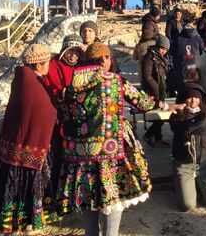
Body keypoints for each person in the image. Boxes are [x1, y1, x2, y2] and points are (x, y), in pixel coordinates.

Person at [58, 43, 155, 235]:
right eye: (108, 57)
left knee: (88, 197)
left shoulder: (72, 83)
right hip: (111, 150)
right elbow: (144, 103)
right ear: (104, 59)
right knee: (113, 197)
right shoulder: (115, 80)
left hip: (80, 153)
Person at [0, 44, 57, 234]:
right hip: (31, 150)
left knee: (10, 186)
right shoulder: (35, 85)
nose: (49, 67)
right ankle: (27, 224)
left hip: (12, 148)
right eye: (47, 63)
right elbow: (46, 112)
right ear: (39, 64)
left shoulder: (21, 80)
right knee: (27, 187)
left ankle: (12, 224)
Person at [167, 82, 206, 211]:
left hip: (205, 165)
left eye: (197, 97)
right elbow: (184, 130)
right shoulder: (176, 115)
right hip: (184, 165)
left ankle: (197, 184)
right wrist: (201, 119)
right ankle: (178, 182)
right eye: (190, 97)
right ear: (183, 99)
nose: (193, 101)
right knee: (187, 205)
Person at [141, 35, 172, 147]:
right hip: (151, 91)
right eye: (162, 48)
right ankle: (149, 135)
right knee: (158, 115)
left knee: (160, 114)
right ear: (157, 46)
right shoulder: (149, 57)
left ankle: (157, 138)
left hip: (160, 89)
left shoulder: (159, 57)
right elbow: (147, 76)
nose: (163, 51)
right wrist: (157, 89)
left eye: (166, 49)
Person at [44, 34, 83, 101]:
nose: (73, 55)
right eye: (71, 50)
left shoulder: (80, 66)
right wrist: (60, 95)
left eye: (77, 51)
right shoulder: (52, 65)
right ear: (64, 51)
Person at [172, 23, 205, 89]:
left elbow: (172, 52)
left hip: (181, 65)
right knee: (194, 85)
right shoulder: (198, 38)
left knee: (182, 87)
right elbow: (202, 51)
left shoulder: (178, 38)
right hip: (194, 65)